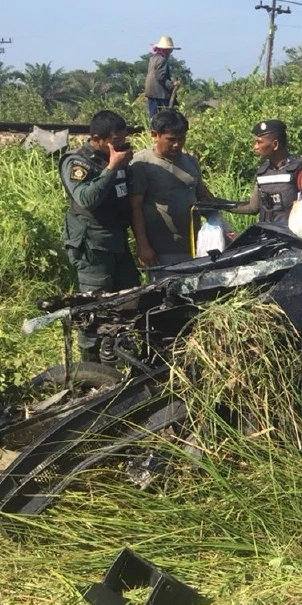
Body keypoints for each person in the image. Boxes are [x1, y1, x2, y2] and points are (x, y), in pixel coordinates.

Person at [59, 111, 140, 361]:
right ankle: (90, 368)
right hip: (92, 246)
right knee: (95, 306)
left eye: (123, 139)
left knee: (129, 299)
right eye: (116, 140)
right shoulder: (78, 162)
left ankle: (116, 356)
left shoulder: (116, 158)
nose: (121, 145)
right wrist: (112, 167)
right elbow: (86, 198)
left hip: (117, 241)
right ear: (96, 139)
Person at [129, 109, 217, 266]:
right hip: (162, 249)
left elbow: (202, 197)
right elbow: (135, 207)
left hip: (194, 245)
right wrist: (143, 246)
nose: (177, 145)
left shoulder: (190, 161)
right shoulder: (142, 164)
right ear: (155, 135)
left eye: (181, 139)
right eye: (170, 139)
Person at [229, 119, 302, 224]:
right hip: (267, 232)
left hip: (292, 232)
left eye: (259, 142)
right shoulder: (262, 172)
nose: (255, 147)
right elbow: (253, 207)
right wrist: (217, 203)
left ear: (275, 144)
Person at [145, 35, 180, 118]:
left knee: (153, 116)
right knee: (164, 116)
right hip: (159, 93)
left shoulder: (153, 58)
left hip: (151, 92)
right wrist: (172, 85)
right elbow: (160, 77)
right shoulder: (162, 59)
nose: (171, 51)